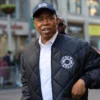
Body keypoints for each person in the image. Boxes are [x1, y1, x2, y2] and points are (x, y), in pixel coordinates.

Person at [20, 2, 100, 100]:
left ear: (56, 20)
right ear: (35, 23)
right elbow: (26, 86)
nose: (45, 23)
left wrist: (84, 81)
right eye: (40, 19)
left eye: (49, 18)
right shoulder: (27, 52)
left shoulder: (79, 46)